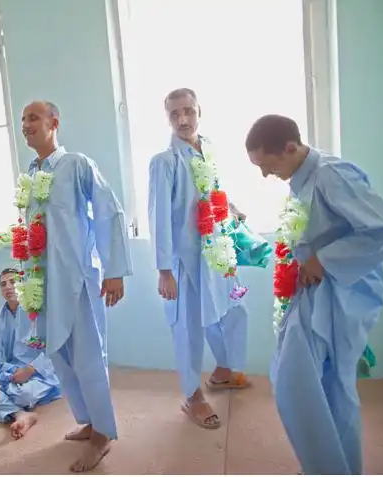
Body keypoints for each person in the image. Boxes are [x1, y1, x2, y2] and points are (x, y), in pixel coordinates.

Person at [245, 114, 383, 475]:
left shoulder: (331, 175)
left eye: (268, 165)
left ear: (290, 148)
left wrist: (324, 259)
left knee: (321, 386)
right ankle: (332, 468)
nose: (266, 174)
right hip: (314, 292)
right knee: (314, 384)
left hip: (343, 293)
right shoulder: (301, 178)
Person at [18, 100, 132, 472]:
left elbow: (108, 212)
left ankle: (103, 434)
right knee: (60, 356)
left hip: (78, 278)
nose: (26, 125)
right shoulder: (32, 173)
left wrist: (114, 270)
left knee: (88, 357)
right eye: (23, 119)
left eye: (33, 117)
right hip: (44, 280)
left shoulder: (75, 165)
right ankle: (88, 421)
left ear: (54, 122)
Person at [148, 88, 251, 430]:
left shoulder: (209, 148)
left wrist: (230, 208)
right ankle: (193, 397)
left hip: (216, 251)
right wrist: (164, 271)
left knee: (234, 310)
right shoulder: (164, 162)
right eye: (174, 114)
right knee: (189, 328)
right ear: (167, 118)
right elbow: (159, 219)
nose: (182, 119)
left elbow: (213, 189)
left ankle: (224, 370)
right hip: (184, 261)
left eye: (188, 111)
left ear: (199, 111)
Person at [0, 268, 61, 439]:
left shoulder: (38, 311)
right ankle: (20, 414)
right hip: (12, 370)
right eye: (3, 284)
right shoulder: (0, 315)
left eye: (13, 281)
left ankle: (1, 401)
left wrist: (30, 369)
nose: (8, 286)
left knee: (22, 395)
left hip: (40, 372)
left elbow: (56, 347)